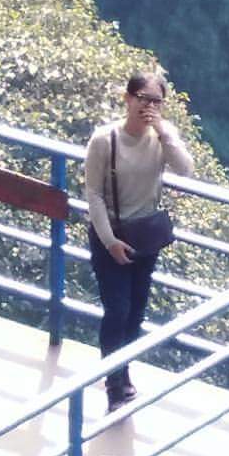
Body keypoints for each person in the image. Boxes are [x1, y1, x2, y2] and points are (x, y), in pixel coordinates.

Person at [84, 71, 194, 412]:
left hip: (145, 236)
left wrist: (163, 131)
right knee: (117, 310)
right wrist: (110, 241)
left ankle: (123, 370)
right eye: (144, 99)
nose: (149, 107)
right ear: (128, 99)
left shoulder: (162, 136)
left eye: (157, 101)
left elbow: (185, 169)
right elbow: (93, 194)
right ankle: (114, 385)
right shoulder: (105, 139)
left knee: (135, 312)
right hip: (110, 234)